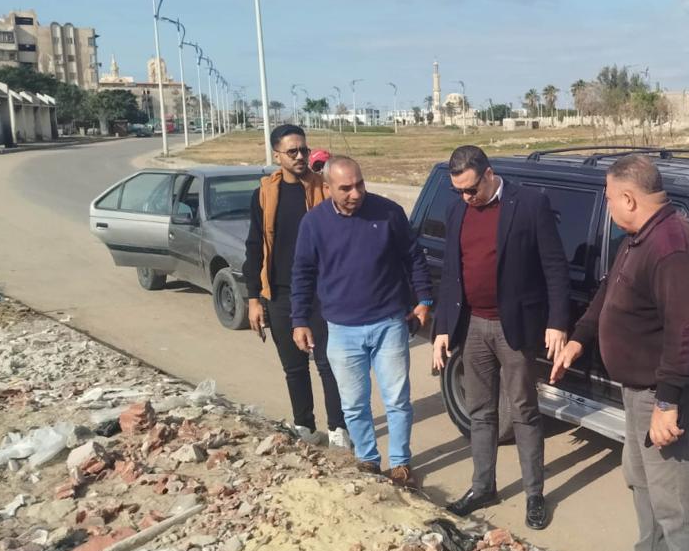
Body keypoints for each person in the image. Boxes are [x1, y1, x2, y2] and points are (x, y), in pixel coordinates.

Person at [550, 154, 689, 551]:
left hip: (666, 391)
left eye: (608, 199)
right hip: (639, 387)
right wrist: (580, 338)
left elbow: (687, 333)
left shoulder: (672, 247)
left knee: (675, 499)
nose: (607, 207)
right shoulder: (640, 237)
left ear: (629, 198)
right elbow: (609, 293)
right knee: (639, 475)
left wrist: (668, 402)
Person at [432, 146, 570, 530]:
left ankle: (534, 493)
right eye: (458, 191)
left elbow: (554, 267)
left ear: (489, 174)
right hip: (473, 325)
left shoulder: (529, 204)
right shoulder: (457, 211)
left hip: (516, 327)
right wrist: (442, 328)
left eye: (471, 189)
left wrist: (558, 321)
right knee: (480, 410)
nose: (466, 197)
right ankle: (483, 487)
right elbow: (451, 274)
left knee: (524, 411)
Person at [290, 156, 433, 485]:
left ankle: (400, 463)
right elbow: (302, 274)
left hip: (389, 323)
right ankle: (368, 459)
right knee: (353, 404)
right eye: (346, 188)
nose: (355, 193)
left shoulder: (388, 213)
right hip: (341, 330)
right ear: (327, 188)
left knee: (397, 400)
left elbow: (413, 257)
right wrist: (299, 319)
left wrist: (424, 299)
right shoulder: (314, 224)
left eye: (360, 184)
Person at [242, 124, 348, 447]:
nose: (300, 156)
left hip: (321, 293)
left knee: (328, 364)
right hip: (279, 292)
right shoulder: (264, 194)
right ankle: (305, 426)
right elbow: (254, 246)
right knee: (294, 367)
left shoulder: (324, 190)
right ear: (277, 156)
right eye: (292, 152)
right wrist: (254, 298)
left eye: (304, 149)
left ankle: (338, 430)